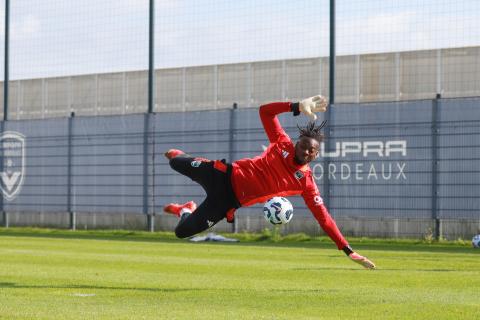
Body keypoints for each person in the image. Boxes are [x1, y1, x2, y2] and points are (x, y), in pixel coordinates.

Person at [164, 95, 376, 269]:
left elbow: (324, 218)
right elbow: (265, 111)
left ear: (316, 155)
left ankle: (185, 209)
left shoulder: (306, 183)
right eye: (303, 146)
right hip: (221, 174)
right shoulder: (281, 142)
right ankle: (181, 156)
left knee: (182, 232)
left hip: (227, 202)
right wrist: (296, 106)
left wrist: (348, 249)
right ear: (296, 144)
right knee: (174, 160)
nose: (306, 151)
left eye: (312, 150)